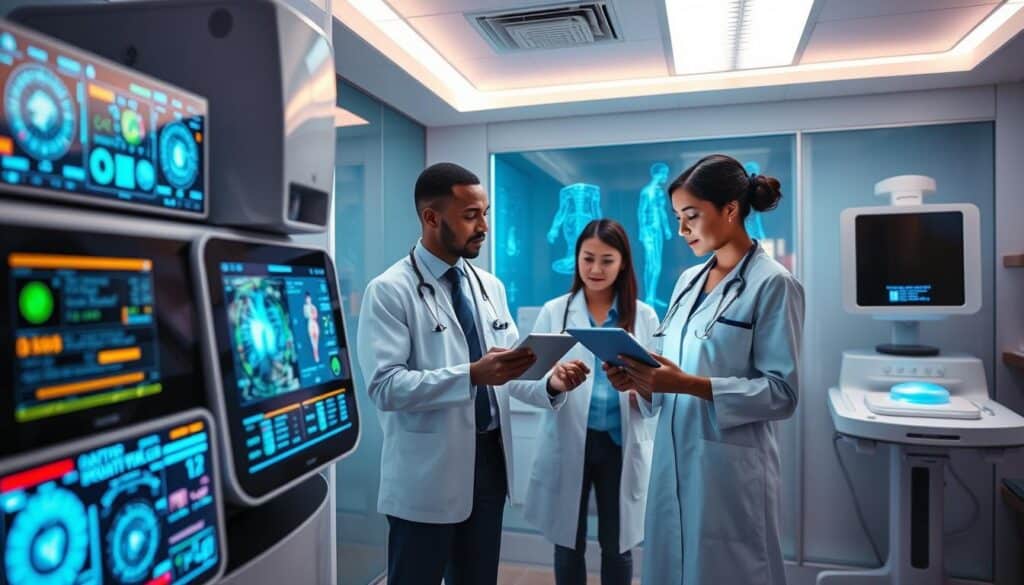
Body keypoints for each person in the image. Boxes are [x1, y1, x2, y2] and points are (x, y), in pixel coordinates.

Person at [357, 162, 590, 585]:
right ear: (431, 217)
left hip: (489, 468)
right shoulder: (389, 291)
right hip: (426, 475)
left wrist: (551, 381)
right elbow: (385, 387)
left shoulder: (489, 287)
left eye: (484, 213)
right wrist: (470, 376)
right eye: (470, 216)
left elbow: (510, 372)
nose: (483, 225)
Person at [605, 154, 804, 585]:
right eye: (677, 217)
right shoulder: (687, 283)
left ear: (730, 209)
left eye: (691, 216)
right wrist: (641, 381)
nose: (681, 230)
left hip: (727, 468)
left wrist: (688, 384)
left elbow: (782, 394)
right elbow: (670, 370)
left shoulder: (773, 284)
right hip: (674, 458)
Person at [522, 219, 659, 585]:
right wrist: (554, 382)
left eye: (607, 260)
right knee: (568, 543)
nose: (595, 269)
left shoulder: (644, 316)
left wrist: (640, 387)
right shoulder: (555, 311)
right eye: (587, 258)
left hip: (619, 444)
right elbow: (522, 382)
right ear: (577, 259)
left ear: (623, 264)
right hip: (571, 443)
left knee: (618, 546)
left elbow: (661, 390)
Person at [303, 292, 320, 362]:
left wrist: (313, 313)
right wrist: (310, 313)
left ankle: (317, 354)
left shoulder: (314, 306)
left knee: (316, 339)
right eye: (307, 298)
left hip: (314, 323)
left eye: (309, 298)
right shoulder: (305, 307)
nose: (308, 299)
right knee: (313, 340)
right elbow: (306, 315)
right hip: (310, 324)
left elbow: (316, 316)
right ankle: (315, 355)